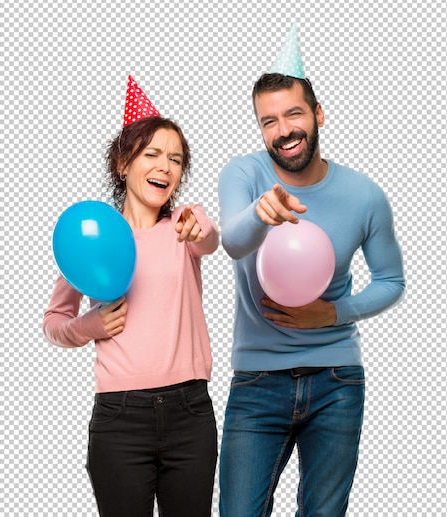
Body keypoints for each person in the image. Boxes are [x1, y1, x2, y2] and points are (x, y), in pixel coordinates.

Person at [217, 69, 405, 515]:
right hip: (257, 381)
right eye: (269, 121)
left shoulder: (365, 195)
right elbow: (232, 242)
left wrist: (335, 313)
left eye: (294, 114)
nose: (283, 131)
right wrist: (261, 213)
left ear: (318, 114)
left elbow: (391, 281)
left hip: (336, 380)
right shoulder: (243, 173)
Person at [43, 76, 219, 517]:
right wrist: (89, 326)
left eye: (176, 159)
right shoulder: (94, 238)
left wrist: (201, 222)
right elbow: (53, 321)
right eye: (153, 154)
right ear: (123, 163)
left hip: (190, 412)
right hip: (119, 420)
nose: (165, 166)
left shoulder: (183, 225)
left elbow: (211, 240)